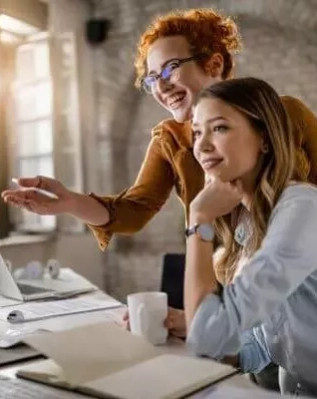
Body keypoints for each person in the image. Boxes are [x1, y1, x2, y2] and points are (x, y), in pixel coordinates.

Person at [1, 7, 317, 359]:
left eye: (170, 68)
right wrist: (69, 203)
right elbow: (134, 210)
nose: (161, 85)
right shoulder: (169, 138)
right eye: (151, 78)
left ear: (213, 65)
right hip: (231, 270)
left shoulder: (283, 122)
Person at [185, 77, 317, 397]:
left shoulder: (302, 209)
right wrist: (191, 321)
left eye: (219, 128)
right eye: (197, 132)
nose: (201, 146)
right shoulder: (250, 223)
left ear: (265, 139)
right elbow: (262, 346)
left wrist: (198, 220)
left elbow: (206, 339)